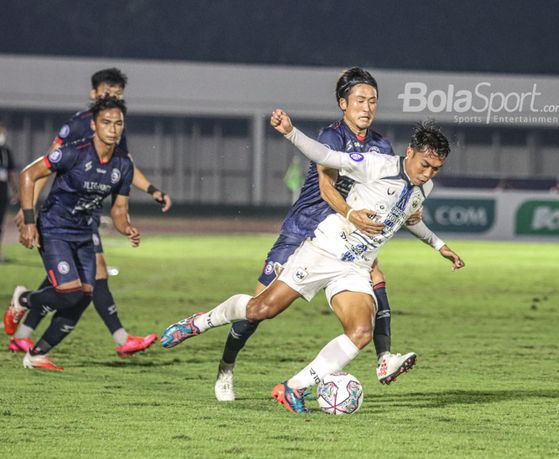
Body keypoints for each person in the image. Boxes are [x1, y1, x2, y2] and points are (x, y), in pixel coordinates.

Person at [161, 109, 464, 413]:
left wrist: (439, 245)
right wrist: (291, 132)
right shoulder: (377, 164)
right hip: (325, 249)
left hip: (355, 266)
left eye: (435, 169)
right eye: (424, 165)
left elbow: (406, 219)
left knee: (360, 332)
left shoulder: (424, 188)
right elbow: (326, 155)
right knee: (261, 309)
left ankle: (294, 387)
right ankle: (199, 322)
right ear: (410, 153)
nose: (428, 173)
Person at [213, 67, 440, 401]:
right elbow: (324, 186)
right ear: (343, 105)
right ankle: (226, 369)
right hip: (304, 230)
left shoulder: (382, 145)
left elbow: (393, 191)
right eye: (360, 100)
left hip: (348, 235)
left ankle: (383, 359)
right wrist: (350, 212)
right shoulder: (331, 137)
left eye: (373, 101)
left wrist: (409, 208)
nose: (367, 107)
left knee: (377, 278)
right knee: (258, 309)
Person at [6, 68, 169, 358]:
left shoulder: (117, 135)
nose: (113, 124)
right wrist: (28, 209)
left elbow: (123, 172)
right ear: (94, 99)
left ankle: (25, 336)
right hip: (57, 219)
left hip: (86, 221)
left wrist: (151, 194)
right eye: (107, 95)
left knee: (74, 288)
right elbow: (41, 168)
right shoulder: (79, 128)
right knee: (81, 285)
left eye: (118, 96)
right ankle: (120, 339)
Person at [11, 96, 140, 370]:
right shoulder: (73, 152)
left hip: (84, 234)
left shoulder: (123, 166)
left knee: (84, 297)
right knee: (69, 293)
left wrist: (126, 228)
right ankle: (23, 299)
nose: (113, 129)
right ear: (93, 125)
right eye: (106, 122)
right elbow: (28, 175)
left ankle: (36, 354)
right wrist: (30, 221)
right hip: (54, 228)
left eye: (118, 123)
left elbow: (118, 210)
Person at [0, 124, 19, 262]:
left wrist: (15, 191)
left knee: (0, 223)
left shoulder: (6, 152)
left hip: (2, 190)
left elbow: (11, 172)